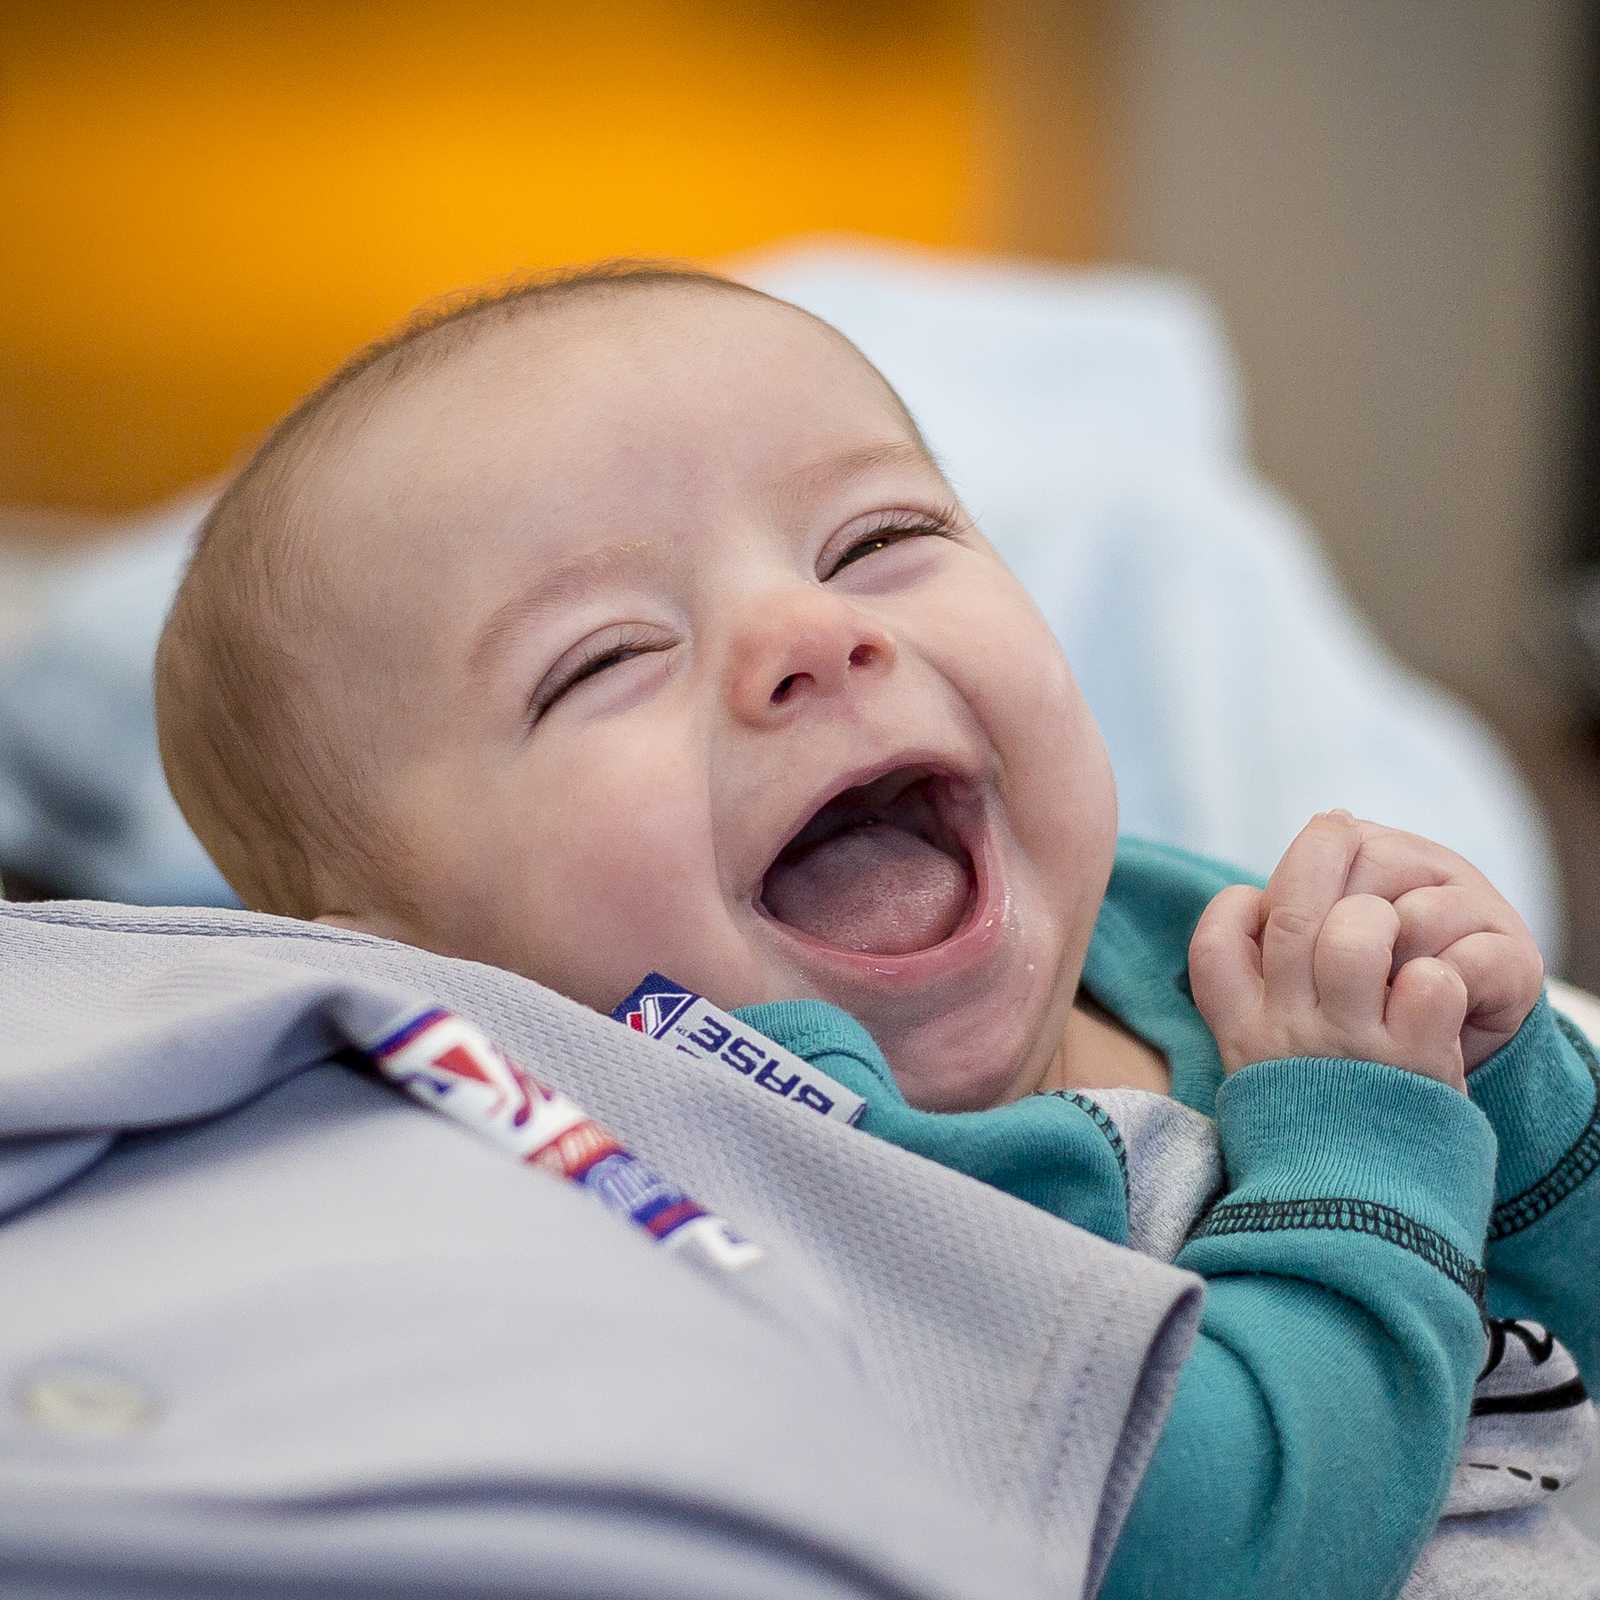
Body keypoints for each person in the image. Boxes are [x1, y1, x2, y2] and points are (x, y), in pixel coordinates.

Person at [152, 262, 1592, 1597]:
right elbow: (1212, 1541)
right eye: (604, 657)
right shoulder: (716, 1196)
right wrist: (1374, 1135)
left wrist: (1513, 1093)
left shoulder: (1183, 931)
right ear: (407, 968)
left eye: (881, 538)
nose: (810, 631)